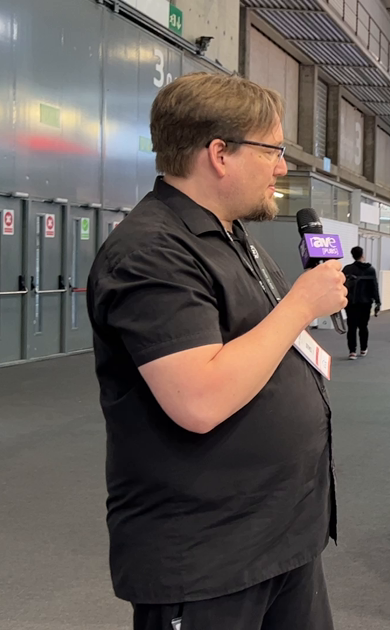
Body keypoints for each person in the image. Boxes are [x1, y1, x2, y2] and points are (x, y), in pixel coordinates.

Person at [86, 73, 344, 630]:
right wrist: (300, 305)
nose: (281, 168)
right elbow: (198, 399)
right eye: (273, 150)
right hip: (209, 557)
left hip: (280, 535)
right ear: (219, 154)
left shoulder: (231, 237)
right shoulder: (152, 251)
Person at [343, 246, 382, 360]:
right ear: (362, 255)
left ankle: (352, 351)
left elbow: (342, 285)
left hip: (351, 302)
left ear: (352, 255)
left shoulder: (347, 269)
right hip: (365, 302)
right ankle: (363, 348)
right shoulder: (370, 269)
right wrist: (378, 301)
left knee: (352, 327)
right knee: (363, 326)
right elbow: (374, 287)